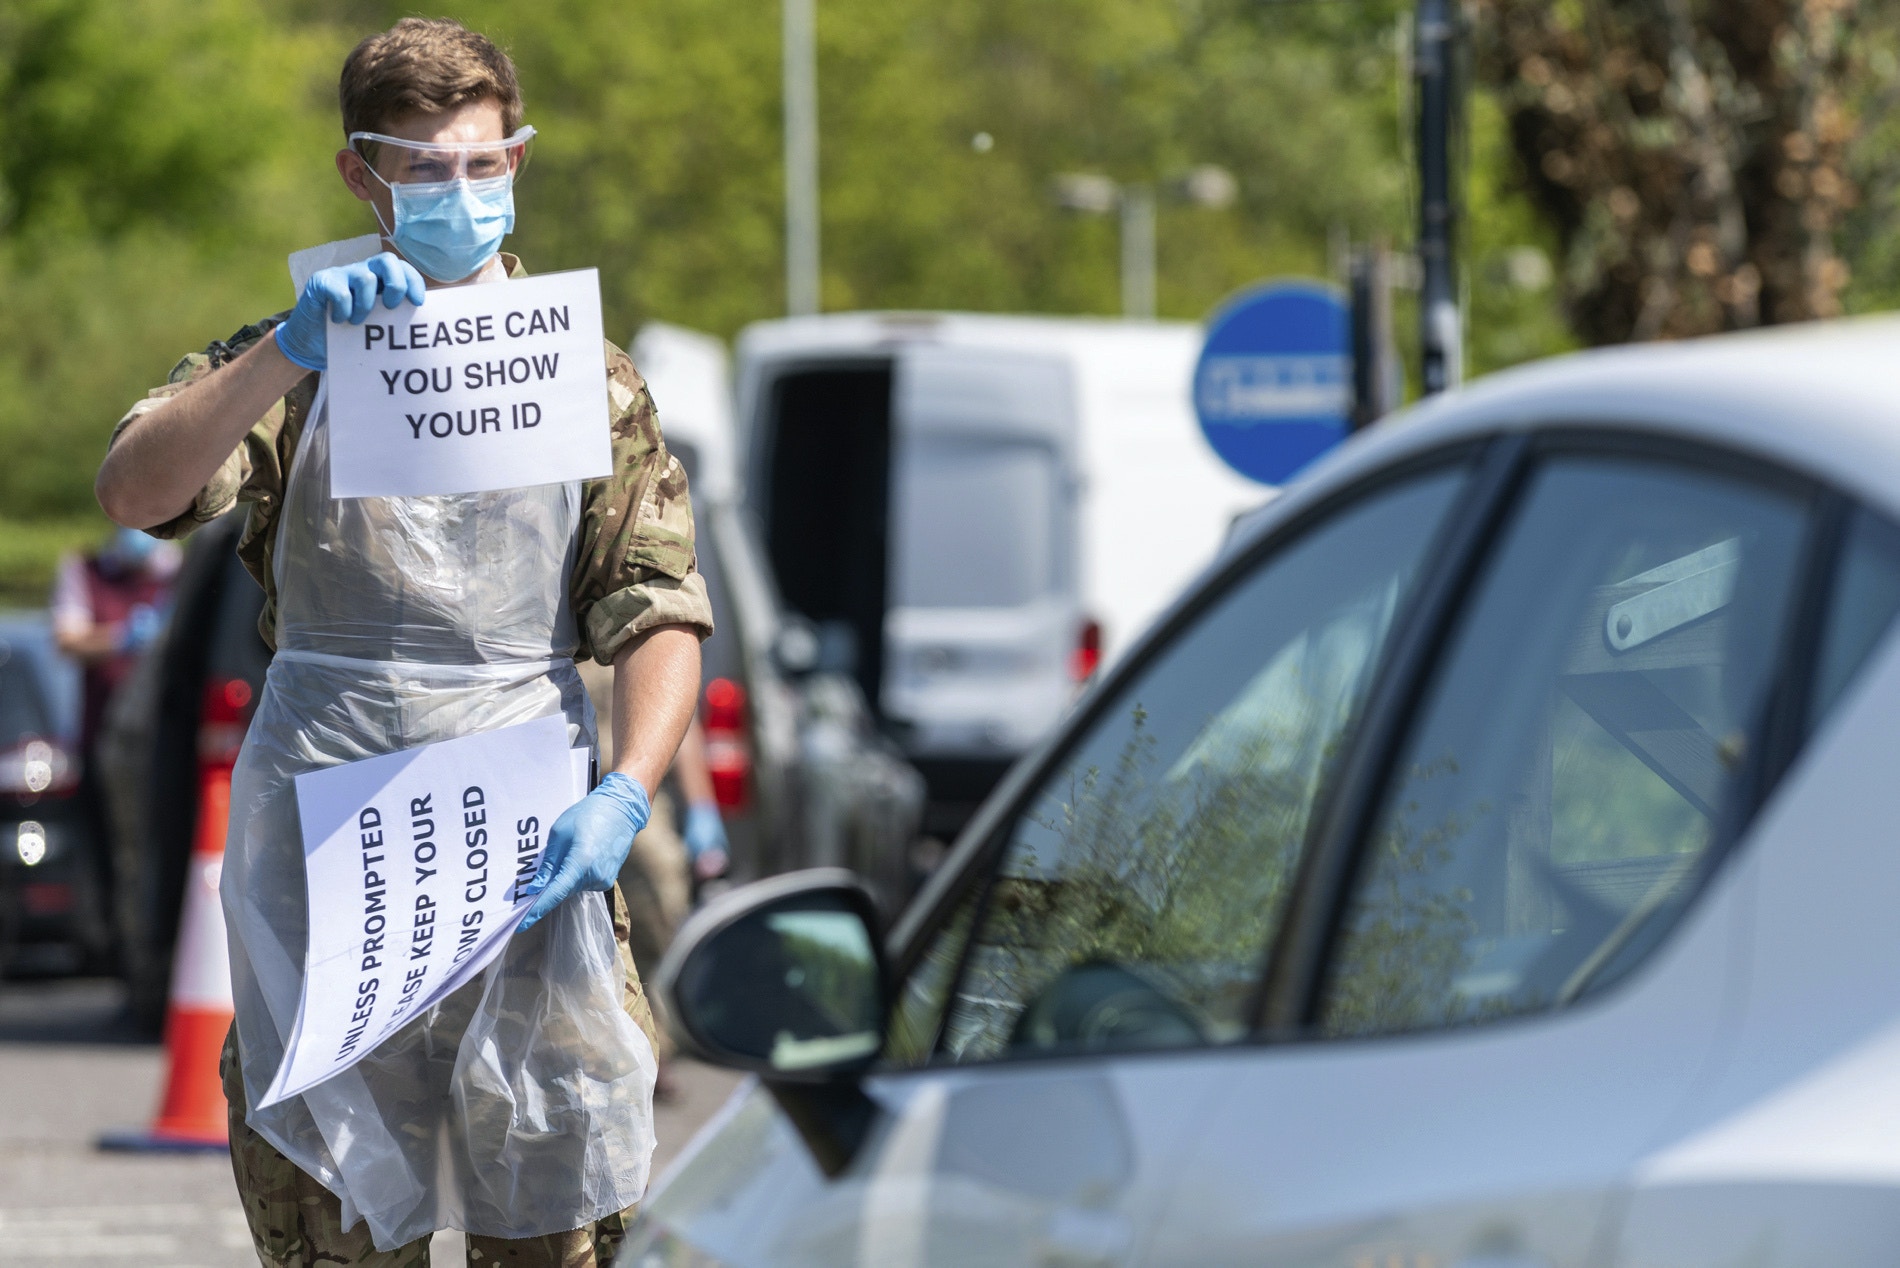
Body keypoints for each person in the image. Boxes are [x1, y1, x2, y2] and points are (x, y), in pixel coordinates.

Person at [94, 19, 711, 1266]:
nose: (460, 194)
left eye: (485, 166)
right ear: (360, 175)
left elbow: (656, 607)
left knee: (555, 1225)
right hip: (338, 871)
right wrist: (283, 351)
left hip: (526, 857)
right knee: (330, 1217)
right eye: (423, 169)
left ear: (520, 155)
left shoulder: (580, 377)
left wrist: (629, 793)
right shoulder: (299, 365)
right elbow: (138, 490)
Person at [50, 526, 180, 758]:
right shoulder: (87, 570)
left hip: (161, 733)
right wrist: (121, 638)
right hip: (102, 731)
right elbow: (67, 641)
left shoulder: (178, 571)